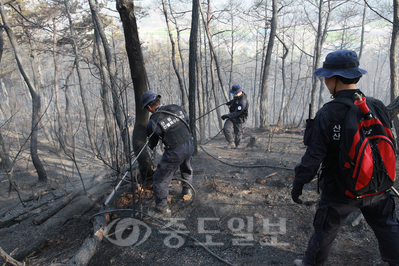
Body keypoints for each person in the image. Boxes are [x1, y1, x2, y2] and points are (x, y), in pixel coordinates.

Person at [291, 50, 399, 266]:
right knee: (388, 227)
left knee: (324, 230)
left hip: (342, 191)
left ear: (335, 79)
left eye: (326, 77)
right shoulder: (376, 105)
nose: (324, 81)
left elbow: (314, 156)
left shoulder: (328, 112)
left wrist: (299, 182)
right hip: (379, 186)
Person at [141, 90, 194, 215]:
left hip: (175, 150)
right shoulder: (176, 107)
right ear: (158, 100)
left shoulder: (153, 121)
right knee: (186, 167)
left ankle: (162, 208)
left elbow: (152, 143)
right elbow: (187, 121)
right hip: (189, 143)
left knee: (160, 179)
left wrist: (148, 142)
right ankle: (187, 191)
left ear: (149, 107)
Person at [221, 84, 249, 149]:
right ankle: (231, 143)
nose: (233, 94)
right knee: (226, 128)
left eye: (235, 93)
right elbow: (235, 101)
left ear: (239, 92)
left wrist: (226, 116)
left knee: (238, 135)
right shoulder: (237, 97)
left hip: (240, 120)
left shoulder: (243, 101)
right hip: (232, 118)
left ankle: (237, 146)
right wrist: (230, 102)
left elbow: (237, 113)